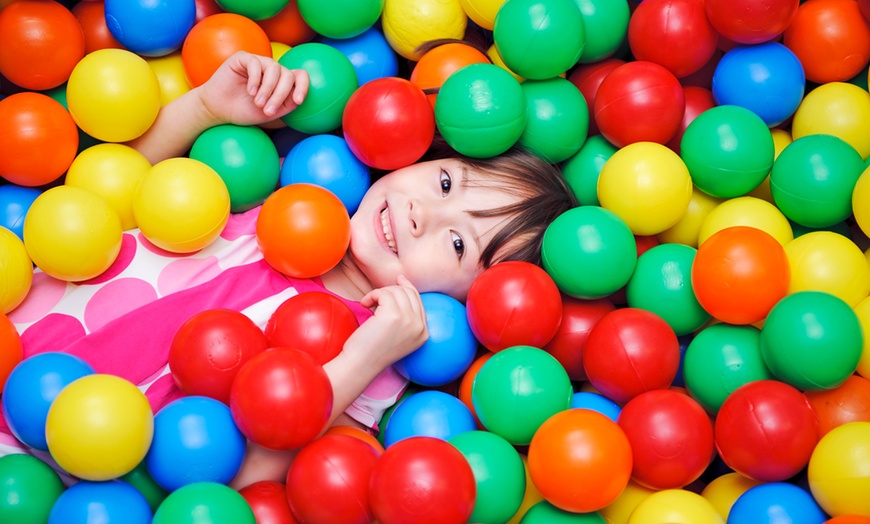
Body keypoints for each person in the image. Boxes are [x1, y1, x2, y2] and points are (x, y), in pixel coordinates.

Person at [3, 51, 577, 488]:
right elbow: (119, 195)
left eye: (458, 244)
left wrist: (365, 355)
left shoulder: (377, 358)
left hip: (47, 465)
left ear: (473, 301)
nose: (420, 214)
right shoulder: (279, 198)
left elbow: (253, 472)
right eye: (445, 183)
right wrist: (203, 107)